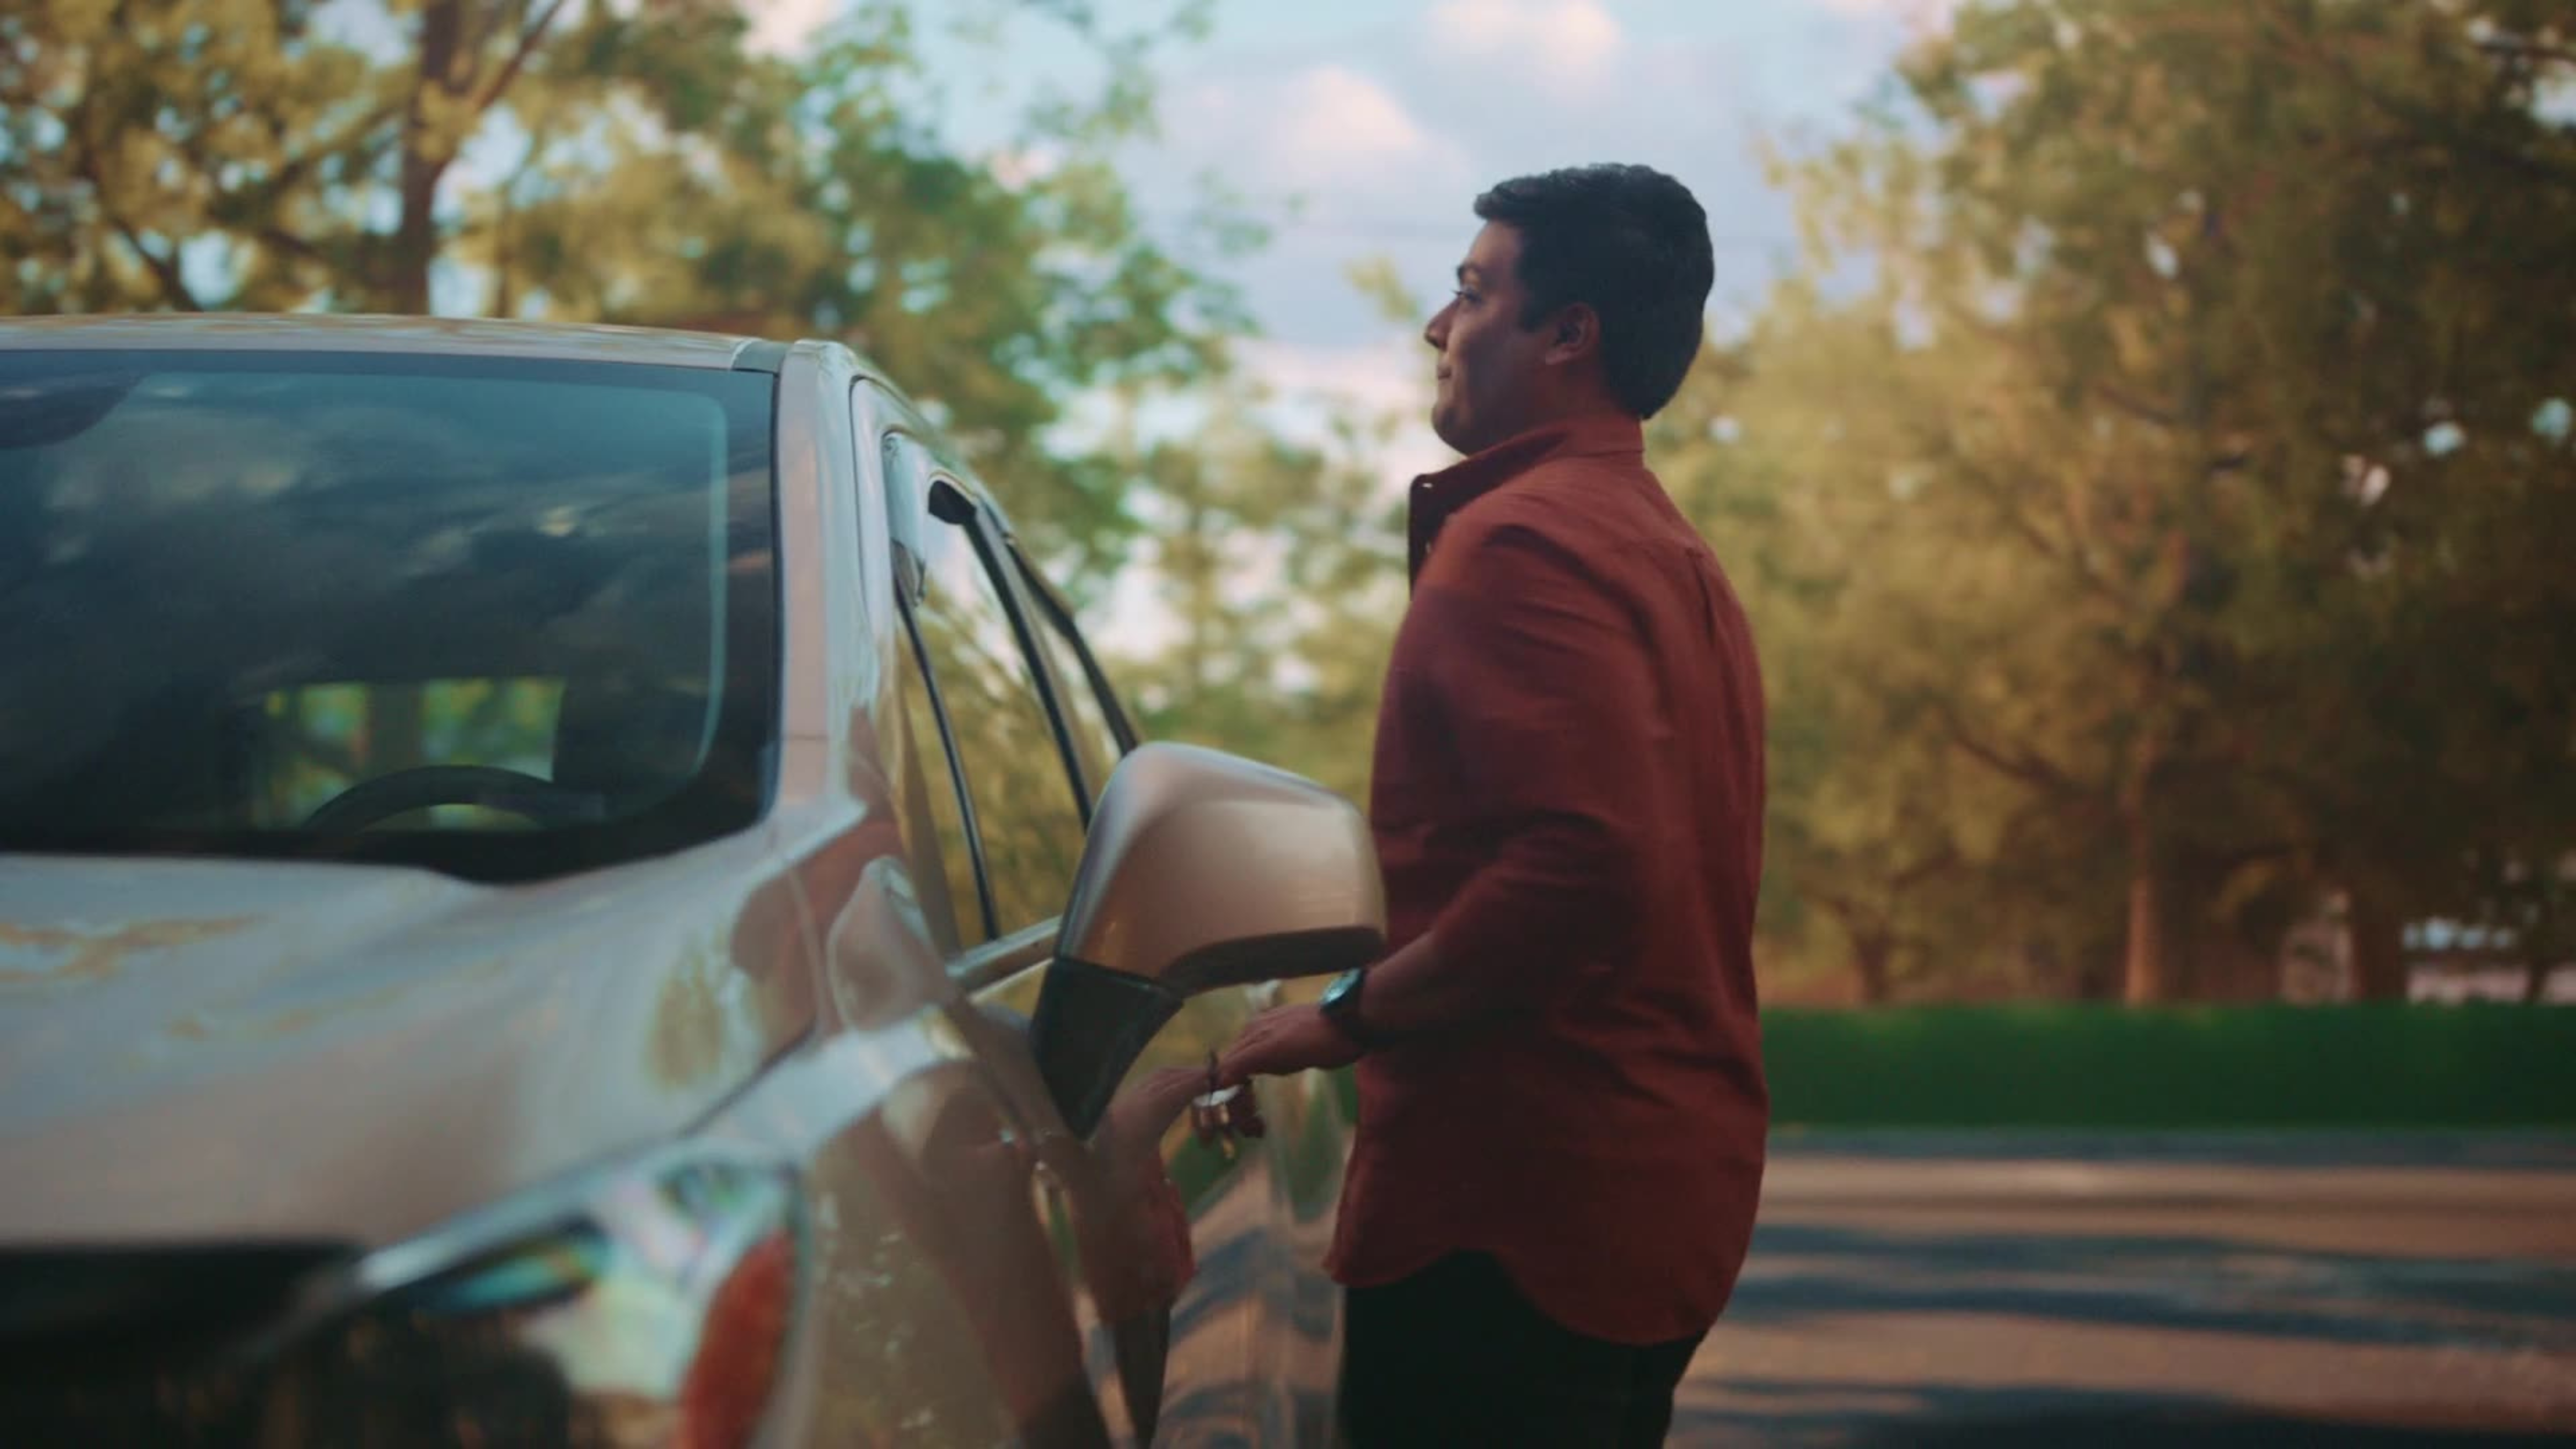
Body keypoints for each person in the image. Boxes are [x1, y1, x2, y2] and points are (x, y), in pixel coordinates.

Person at [1216, 163, 1769, 1447]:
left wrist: (1348, 1017)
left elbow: (1585, 871)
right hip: (1642, 1201)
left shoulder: (1527, 541)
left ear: (1568, 333)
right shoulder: (1663, 545)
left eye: (1472, 293)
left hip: (1516, 1219)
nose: (1437, 326)